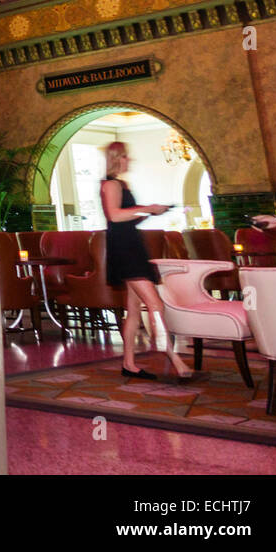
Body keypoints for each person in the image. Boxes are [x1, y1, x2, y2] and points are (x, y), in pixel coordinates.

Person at [101, 142, 196, 383]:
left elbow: (126, 219)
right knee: (155, 305)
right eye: (125, 157)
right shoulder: (110, 184)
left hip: (130, 245)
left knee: (132, 311)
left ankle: (129, 363)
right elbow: (114, 215)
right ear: (117, 158)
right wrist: (146, 208)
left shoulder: (121, 184)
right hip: (125, 250)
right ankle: (173, 357)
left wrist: (153, 212)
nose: (129, 160)